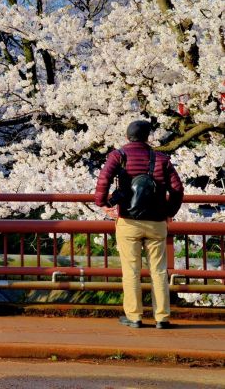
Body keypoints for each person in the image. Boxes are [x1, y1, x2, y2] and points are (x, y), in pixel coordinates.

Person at [94, 120, 184, 329]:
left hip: (129, 221)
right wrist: (169, 212)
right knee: (159, 271)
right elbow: (177, 189)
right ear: (147, 137)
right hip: (156, 223)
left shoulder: (119, 155)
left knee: (131, 270)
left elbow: (104, 179)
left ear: (127, 137)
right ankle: (162, 317)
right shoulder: (161, 159)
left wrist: (102, 203)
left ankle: (134, 316)